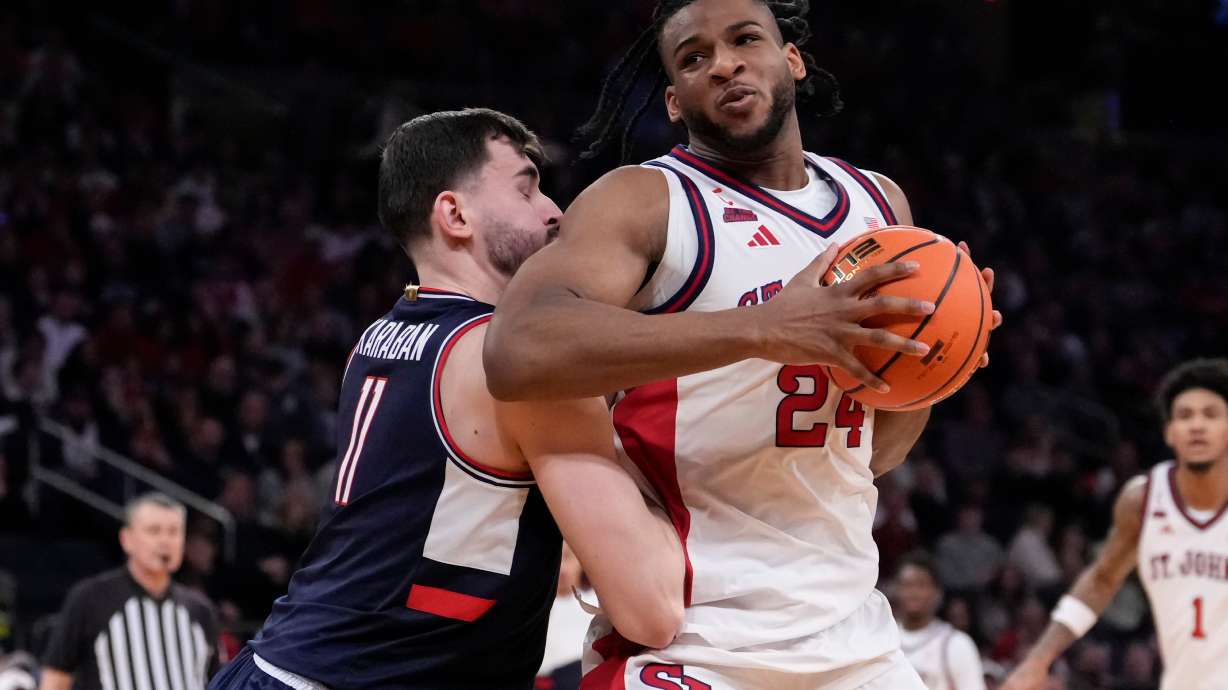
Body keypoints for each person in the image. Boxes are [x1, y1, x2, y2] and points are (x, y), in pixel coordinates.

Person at [484, 1, 1000, 687]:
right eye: (693, 58)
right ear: (674, 101)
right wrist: (762, 328)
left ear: (791, 60)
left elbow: (877, 452)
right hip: (692, 643)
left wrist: (934, 366)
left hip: (852, 638)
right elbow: (515, 348)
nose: (722, 63)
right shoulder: (646, 200)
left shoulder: (880, 206)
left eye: (744, 39)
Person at [208, 109, 685, 690]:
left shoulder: (383, 333)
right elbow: (651, 610)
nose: (555, 211)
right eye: (527, 187)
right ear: (455, 214)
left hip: (279, 665)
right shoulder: (516, 368)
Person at [1001, 358, 1228, 690]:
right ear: (1169, 432)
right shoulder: (1143, 500)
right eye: (1185, 415)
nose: (1197, 425)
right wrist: (1038, 660)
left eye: (1210, 415)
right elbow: (1102, 579)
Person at [38, 493, 220, 690]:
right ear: (127, 539)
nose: (165, 541)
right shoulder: (90, 598)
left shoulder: (200, 610)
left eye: (174, 532)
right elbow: (56, 678)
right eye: (154, 531)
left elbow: (216, 681)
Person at [893, 552, 986, 690]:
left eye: (921, 585)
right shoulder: (881, 640)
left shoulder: (956, 643)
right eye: (907, 585)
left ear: (937, 593)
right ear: (896, 590)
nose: (913, 593)